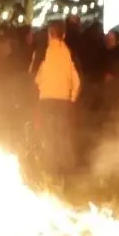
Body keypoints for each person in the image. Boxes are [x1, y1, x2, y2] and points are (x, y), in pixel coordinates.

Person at [33, 21, 80, 177]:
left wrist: (42, 87)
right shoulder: (69, 53)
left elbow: (36, 77)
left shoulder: (42, 52)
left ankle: (49, 171)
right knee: (62, 137)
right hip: (63, 102)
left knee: (48, 136)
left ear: (49, 34)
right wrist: (72, 97)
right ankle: (65, 173)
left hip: (46, 101)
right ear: (64, 35)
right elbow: (77, 80)